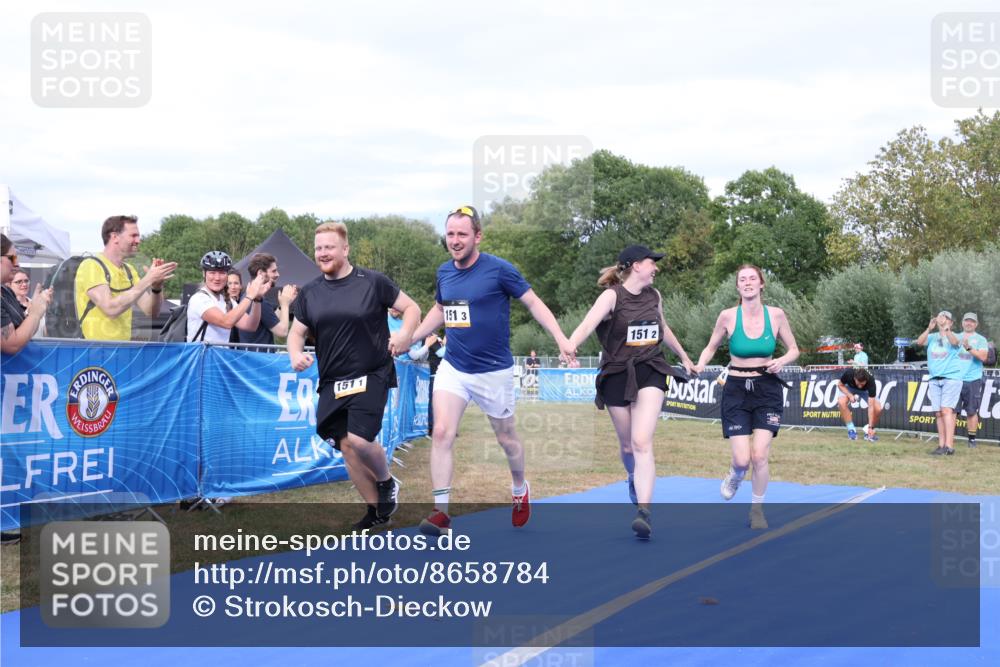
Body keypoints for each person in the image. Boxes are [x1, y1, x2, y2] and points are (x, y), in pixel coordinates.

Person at [409, 205, 576, 536]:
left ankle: (518, 488)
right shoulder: (444, 272)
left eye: (462, 234)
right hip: (454, 366)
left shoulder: (499, 270)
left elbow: (534, 303)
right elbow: (440, 310)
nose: (454, 241)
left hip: (493, 372)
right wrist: (408, 337)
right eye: (450, 234)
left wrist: (560, 337)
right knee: (442, 432)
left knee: (507, 439)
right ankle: (441, 514)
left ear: (477, 236)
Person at [287, 221, 420, 530]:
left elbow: (411, 308)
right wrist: (295, 354)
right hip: (333, 380)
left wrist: (405, 337)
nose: (323, 253)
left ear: (345, 249)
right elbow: (296, 333)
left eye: (329, 247)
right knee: (346, 446)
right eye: (318, 248)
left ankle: (386, 482)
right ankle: (377, 512)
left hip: (372, 373)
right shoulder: (309, 293)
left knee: (360, 440)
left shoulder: (373, 282)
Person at [567, 245, 696, 539]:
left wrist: (685, 357)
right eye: (653, 263)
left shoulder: (655, 296)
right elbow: (587, 324)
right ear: (636, 265)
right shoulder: (612, 296)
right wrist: (570, 346)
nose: (657, 268)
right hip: (617, 373)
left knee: (641, 441)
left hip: (651, 368)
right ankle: (631, 476)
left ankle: (644, 511)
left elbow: (663, 327)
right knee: (627, 448)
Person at [694, 264, 800, 530]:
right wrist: (698, 365)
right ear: (738, 286)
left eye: (753, 278)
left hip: (767, 388)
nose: (748, 283)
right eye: (743, 279)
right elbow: (711, 346)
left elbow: (794, 349)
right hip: (736, 391)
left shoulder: (776, 315)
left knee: (760, 455)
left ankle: (757, 510)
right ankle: (735, 474)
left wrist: (782, 361)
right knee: (742, 459)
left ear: (762, 284)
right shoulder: (728, 316)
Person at [74, 215, 177, 341]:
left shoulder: (129, 271)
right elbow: (110, 309)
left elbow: (151, 312)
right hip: (94, 352)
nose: (138, 240)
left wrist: (156, 287)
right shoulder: (91, 266)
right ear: (115, 237)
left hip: (122, 351)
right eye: (133, 235)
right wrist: (148, 279)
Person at [186, 251, 269, 343]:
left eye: (222, 273)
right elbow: (226, 322)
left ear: (227, 275)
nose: (217, 278)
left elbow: (251, 325)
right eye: (212, 273)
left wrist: (257, 300)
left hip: (220, 355)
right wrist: (249, 296)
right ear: (204, 274)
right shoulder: (199, 299)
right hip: (202, 355)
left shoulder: (227, 301)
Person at [916, 311, 964, 455]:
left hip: (951, 378)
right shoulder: (932, 337)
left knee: (946, 410)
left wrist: (946, 328)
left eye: (945, 318)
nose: (941, 320)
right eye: (940, 318)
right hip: (934, 378)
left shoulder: (957, 335)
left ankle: (949, 446)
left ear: (950, 322)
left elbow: (955, 343)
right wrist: (929, 328)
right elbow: (919, 342)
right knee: (938, 413)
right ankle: (941, 445)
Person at [1, 234, 52, 355]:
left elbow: (26, 332)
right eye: (12, 258)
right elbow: (11, 344)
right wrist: (35, 313)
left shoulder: (6, 292)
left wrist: (35, 308)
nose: (17, 264)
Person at [237, 253, 299, 349]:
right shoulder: (259, 301)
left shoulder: (247, 296)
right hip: (259, 360)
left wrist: (283, 304)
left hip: (251, 358)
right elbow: (282, 332)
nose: (278, 274)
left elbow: (270, 320)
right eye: (273, 271)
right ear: (260, 273)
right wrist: (285, 304)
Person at [955, 312, 988, 448]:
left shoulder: (981, 339)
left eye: (972, 321)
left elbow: (983, 357)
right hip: (954, 379)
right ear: (962, 322)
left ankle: (972, 440)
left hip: (973, 379)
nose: (969, 323)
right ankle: (947, 439)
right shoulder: (955, 337)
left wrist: (968, 348)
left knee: (971, 411)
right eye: (967, 321)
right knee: (951, 411)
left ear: (976, 324)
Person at [408, 332, 445, 435]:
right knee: (432, 403)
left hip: (437, 374)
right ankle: (431, 427)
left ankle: (439, 426)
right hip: (433, 373)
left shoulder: (433, 337)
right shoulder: (430, 337)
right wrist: (447, 344)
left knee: (439, 403)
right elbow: (442, 353)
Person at [836, 367, 882, 442]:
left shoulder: (871, 381)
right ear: (854, 378)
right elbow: (840, 385)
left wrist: (870, 427)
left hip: (865, 391)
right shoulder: (849, 373)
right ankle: (851, 430)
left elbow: (871, 407)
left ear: (866, 380)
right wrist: (850, 395)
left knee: (878, 409)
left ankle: (868, 432)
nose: (860, 386)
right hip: (850, 388)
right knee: (841, 402)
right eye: (858, 383)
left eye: (862, 384)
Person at [10, 269, 45, 337]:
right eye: (19, 282)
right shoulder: (5, 307)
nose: (24, 284)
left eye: (26, 281)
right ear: (9, 284)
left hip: (40, 346)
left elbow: (44, 330)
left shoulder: (37, 303)